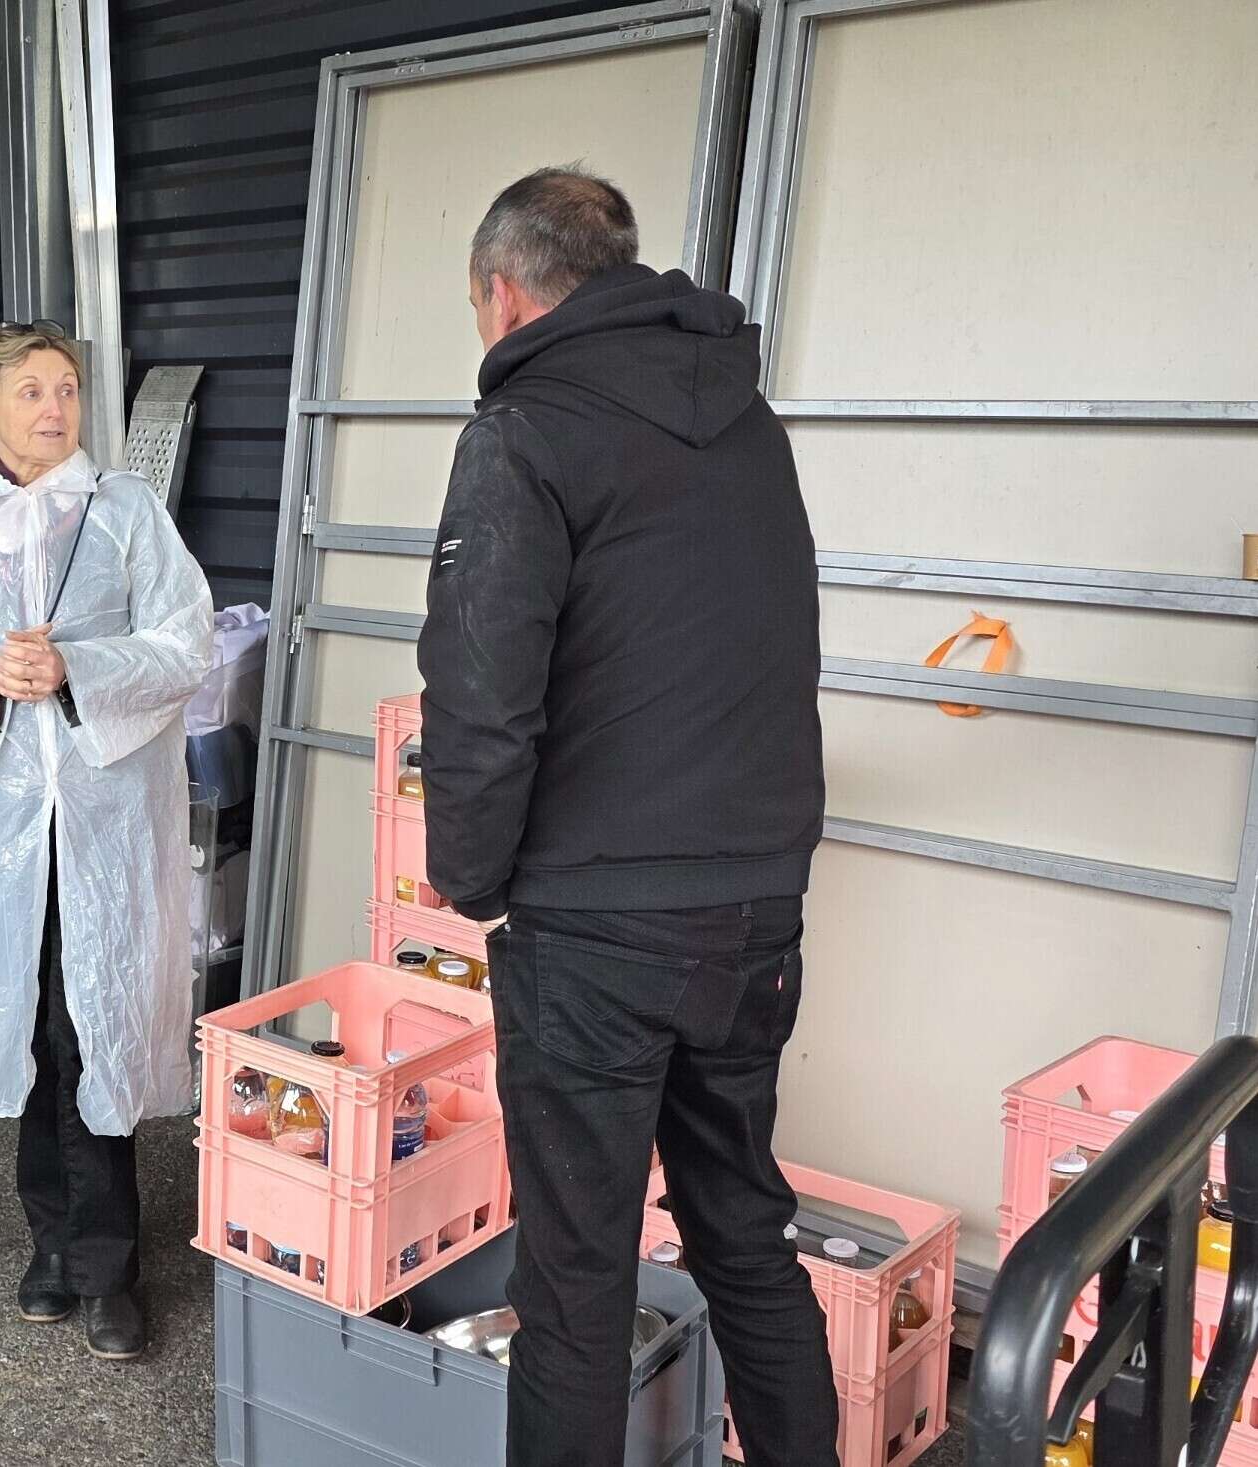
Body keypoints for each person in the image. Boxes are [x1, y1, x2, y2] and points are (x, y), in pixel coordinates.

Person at [416, 169, 835, 1467]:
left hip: (597, 922)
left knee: (574, 1284)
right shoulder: (745, 421)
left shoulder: (523, 431)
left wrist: (469, 875)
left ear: (501, 292)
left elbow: (482, 691)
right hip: (752, 909)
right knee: (744, 1235)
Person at [0, 322, 212, 1362]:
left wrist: (78, 671)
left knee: (91, 1024)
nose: (54, 408)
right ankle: (51, 1245)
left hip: (104, 820)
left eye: (65, 387)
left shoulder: (126, 511)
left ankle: (109, 1267)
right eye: (28, 390)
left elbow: (185, 641)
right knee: (24, 1026)